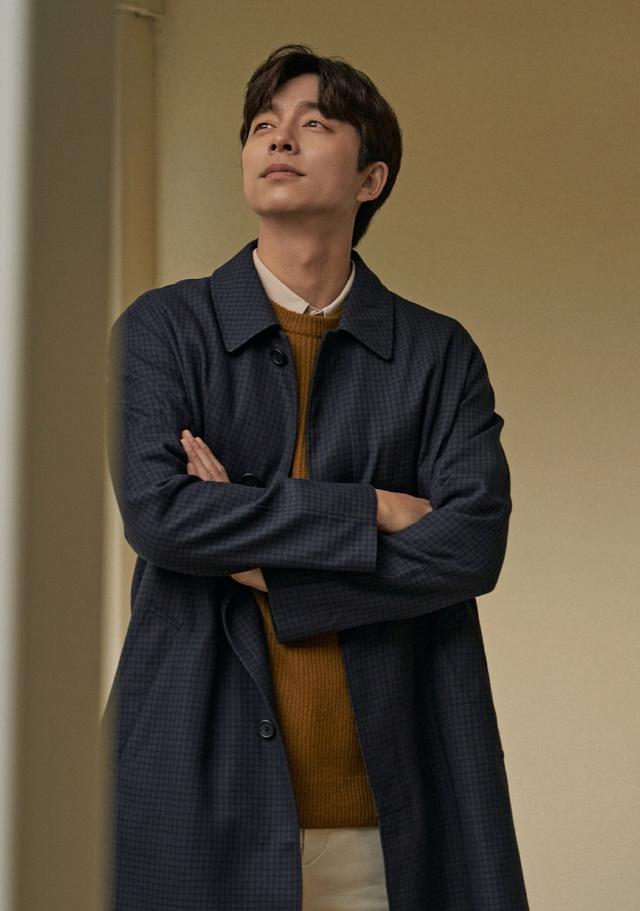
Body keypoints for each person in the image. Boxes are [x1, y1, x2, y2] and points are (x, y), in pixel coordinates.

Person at [104, 43, 529, 911]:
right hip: (191, 801)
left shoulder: (437, 353)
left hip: (389, 811)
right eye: (263, 124)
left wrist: (255, 556)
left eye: (314, 123)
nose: (279, 138)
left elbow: (471, 546)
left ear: (371, 178)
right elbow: (161, 515)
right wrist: (369, 508)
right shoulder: (164, 330)